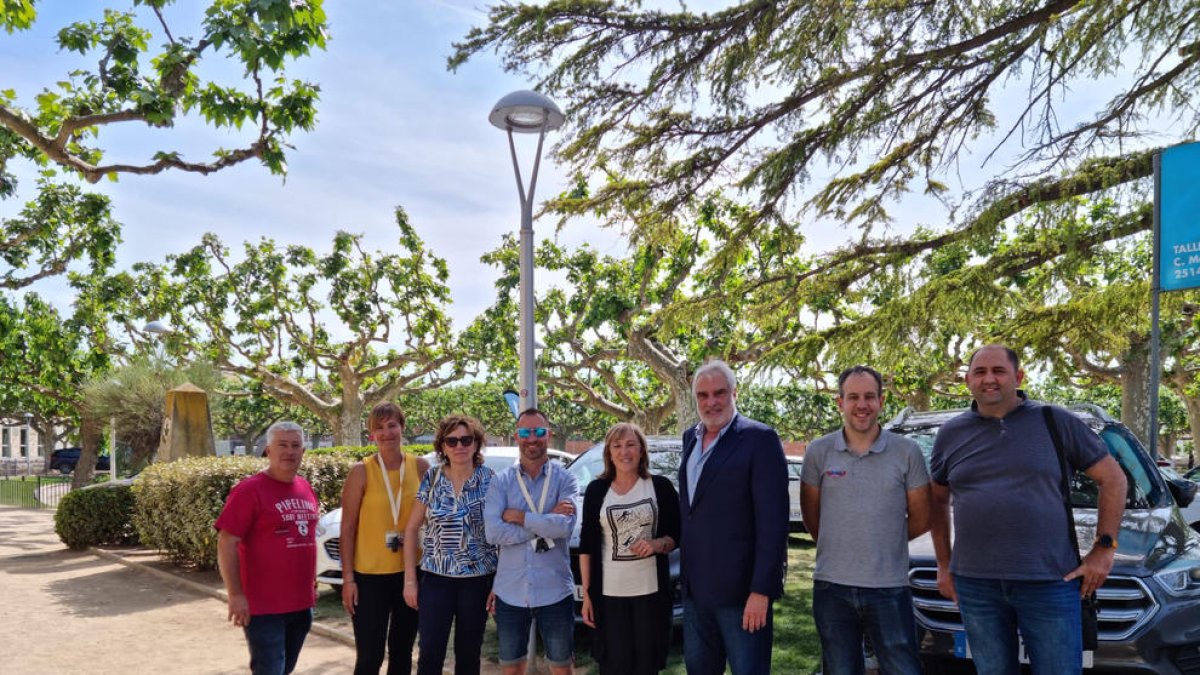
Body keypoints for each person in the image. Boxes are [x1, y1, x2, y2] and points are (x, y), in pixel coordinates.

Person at [930, 344, 1127, 675]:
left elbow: (1114, 479)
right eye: (979, 372)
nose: (988, 379)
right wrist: (944, 565)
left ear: (1018, 377)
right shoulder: (951, 434)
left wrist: (1104, 549)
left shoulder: (1055, 421)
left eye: (998, 371)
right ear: (967, 381)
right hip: (977, 586)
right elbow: (937, 501)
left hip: (1050, 581)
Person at [800, 366, 931, 675]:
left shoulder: (907, 452)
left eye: (870, 397)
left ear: (881, 401)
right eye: (853, 397)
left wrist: (883, 540)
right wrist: (842, 542)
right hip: (832, 587)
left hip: (890, 586)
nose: (862, 405)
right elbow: (812, 517)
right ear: (839, 402)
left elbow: (922, 518)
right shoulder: (819, 452)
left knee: (903, 668)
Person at [678, 359, 789, 675]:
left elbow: (773, 523)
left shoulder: (759, 439)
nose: (711, 402)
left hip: (742, 594)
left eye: (719, 393)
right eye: (703, 395)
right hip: (696, 591)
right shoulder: (690, 438)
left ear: (734, 393)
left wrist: (761, 591)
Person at [215, 421, 320, 675]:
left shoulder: (305, 487)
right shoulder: (249, 490)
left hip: (301, 605)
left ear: (303, 452)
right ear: (268, 450)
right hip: (264, 608)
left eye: (296, 446)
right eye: (282, 445)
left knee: (284, 669)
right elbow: (227, 542)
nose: (289, 451)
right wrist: (235, 594)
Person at [578, 422, 681, 675]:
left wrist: (657, 544)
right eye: (617, 446)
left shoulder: (660, 487)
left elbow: (676, 535)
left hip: (650, 594)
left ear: (642, 451)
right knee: (614, 666)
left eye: (631, 445)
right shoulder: (596, 490)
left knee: (647, 665)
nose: (625, 452)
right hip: (609, 596)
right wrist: (588, 594)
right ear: (609, 454)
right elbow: (587, 544)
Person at [483, 408, 579, 675]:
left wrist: (519, 517)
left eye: (539, 431)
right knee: (511, 668)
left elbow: (565, 526)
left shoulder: (566, 479)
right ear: (516, 436)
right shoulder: (500, 482)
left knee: (561, 667)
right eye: (525, 432)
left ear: (549, 434)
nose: (532, 438)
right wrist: (543, 522)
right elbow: (493, 533)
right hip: (510, 592)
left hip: (555, 590)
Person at [339, 401, 431, 675]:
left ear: (402, 428)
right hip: (369, 577)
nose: (386, 432)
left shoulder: (421, 467)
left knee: (402, 653)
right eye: (378, 428)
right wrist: (348, 579)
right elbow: (347, 528)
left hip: (411, 575)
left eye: (392, 425)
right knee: (369, 655)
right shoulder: (361, 471)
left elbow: (435, 517)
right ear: (371, 434)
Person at [402, 415, 497, 675]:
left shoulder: (490, 480)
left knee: (469, 655)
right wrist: (410, 580)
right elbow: (411, 529)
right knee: (430, 654)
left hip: (477, 581)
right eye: (452, 441)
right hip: (435, 580)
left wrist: (498, 585)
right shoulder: (432, 477)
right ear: (442, 446)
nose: (459, 446)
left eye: (466, 439)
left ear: (476, 444)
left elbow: (502, 533)